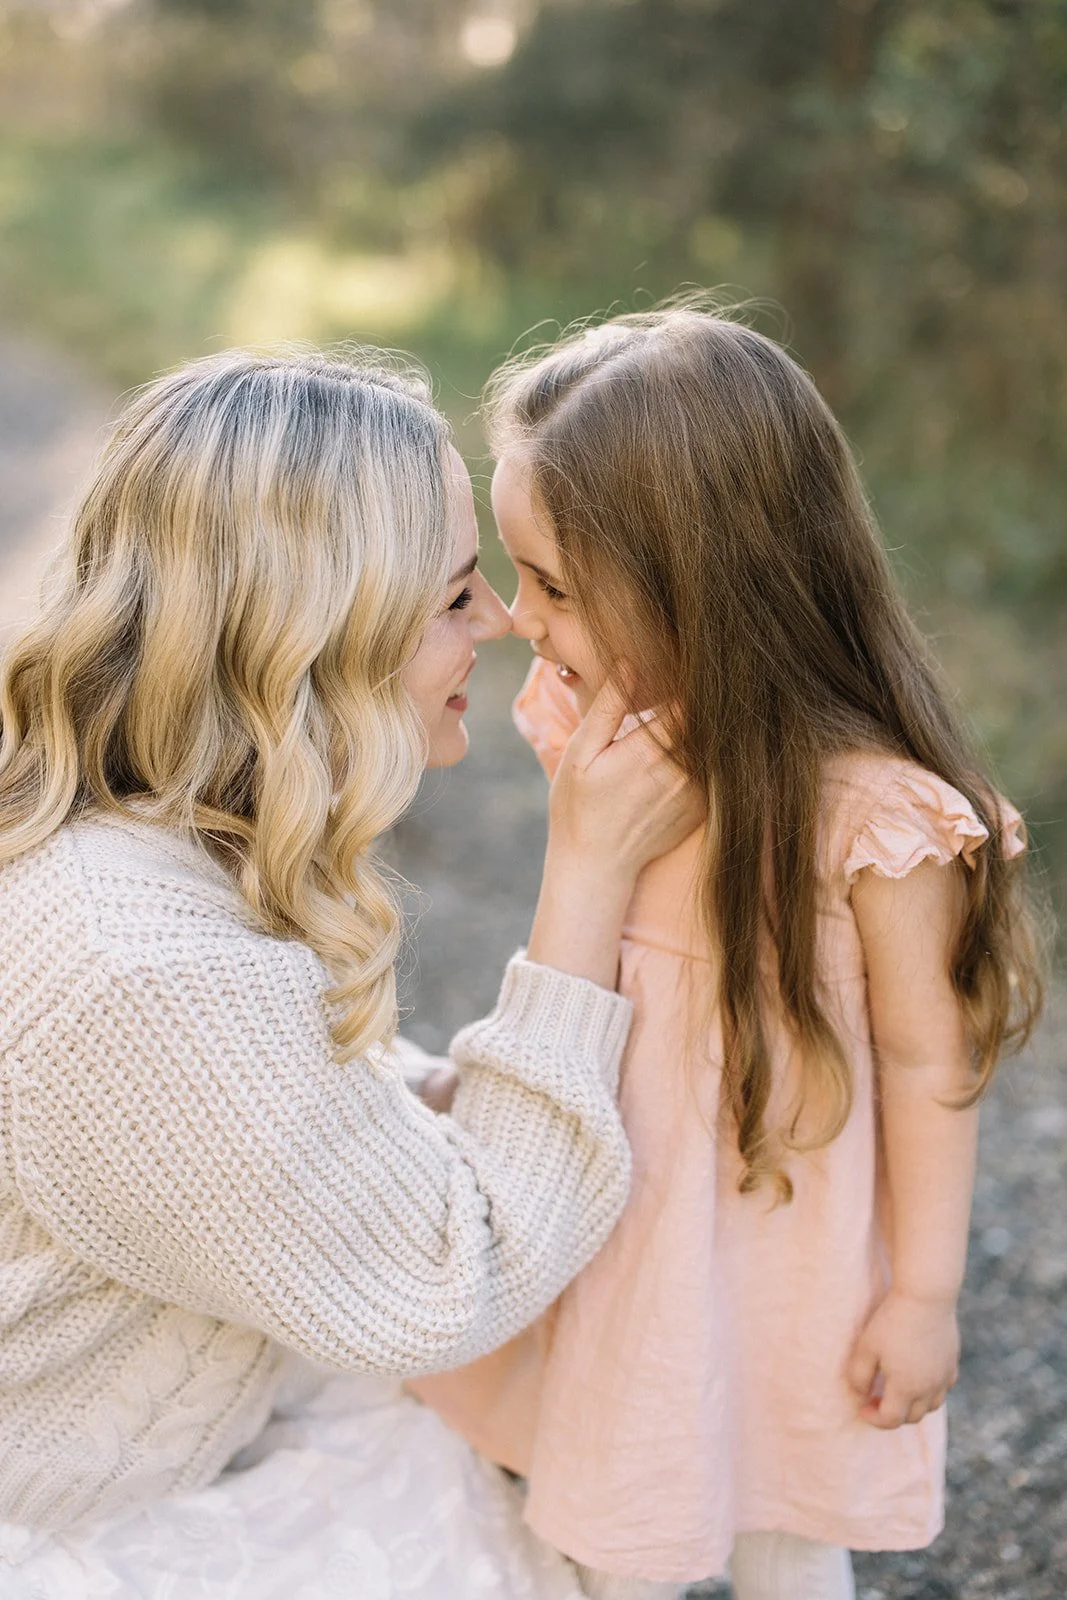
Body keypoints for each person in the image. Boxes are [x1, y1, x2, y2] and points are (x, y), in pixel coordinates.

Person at [0, 347, 699, 1599]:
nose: (495, 621)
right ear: (313, 635)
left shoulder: (148, 832)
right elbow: (452, 1278)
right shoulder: (145, 970)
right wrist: (583, 881)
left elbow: (292, 1113)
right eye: (450, 596)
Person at [409, 307, 1047, 1600]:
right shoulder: (600, 737)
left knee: (782, 1526)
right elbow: (572, 966)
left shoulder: (874, 819)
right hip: (617, 1216)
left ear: (696, 585)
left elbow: (930, 1066)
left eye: (556, 588)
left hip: (784, 1257)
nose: (523, 624)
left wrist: (922, 1294)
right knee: (605, 1509)